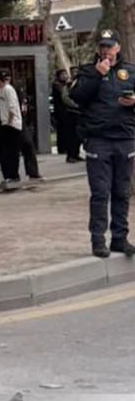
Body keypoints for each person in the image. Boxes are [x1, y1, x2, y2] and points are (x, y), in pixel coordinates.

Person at [70, 29, 135, 258]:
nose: (106, 50)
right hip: (98, 139)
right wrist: (97, 75)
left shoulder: (130, 71)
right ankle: (98, 240)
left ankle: (120, 238)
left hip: (125, 138)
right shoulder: (87, 71)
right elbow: (77, 97)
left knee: (122, 192)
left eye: (110, 46)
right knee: (100, 193)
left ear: (118, 47)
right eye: (103, 46)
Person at [0, 70, 24, 192]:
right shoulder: (0, 91)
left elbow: (12, 107)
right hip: (4, 123)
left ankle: (14, 176)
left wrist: (10, 122)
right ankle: (8, 176)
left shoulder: (8, 89)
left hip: (12, 124)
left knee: (12, 152)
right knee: (5, 152)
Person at [52, 68, 82, 163]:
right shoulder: (61, 85)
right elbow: (65, 98)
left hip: (74, 112)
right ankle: (69, 153)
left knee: (76, 135)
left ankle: (75, 153)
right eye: (63, 74)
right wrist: (76, 105)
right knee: (70, 134)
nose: (65, 76)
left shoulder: (74, 83)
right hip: (67, 112)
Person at [16, 81, 43, 180]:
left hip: (22, 122)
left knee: (28, 146)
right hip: (17, 122)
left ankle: (32, 171)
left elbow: (25, 110)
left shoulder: (22, 98)